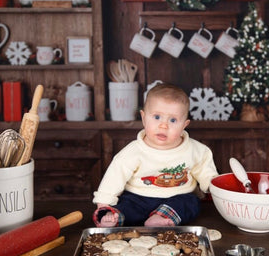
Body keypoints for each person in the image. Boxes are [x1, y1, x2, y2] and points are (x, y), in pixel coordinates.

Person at [92, 83, 218, 227]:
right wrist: (103, 204)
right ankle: (113, 217)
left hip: (177, 197)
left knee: (191, 202)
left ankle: (160, 217)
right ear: (144, 118)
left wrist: (214, 186)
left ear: (184, 125)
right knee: (127, 205)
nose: (163, 125)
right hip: (138, 198)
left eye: (173, 120)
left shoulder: (195, 150)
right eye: (157, 117)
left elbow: (206, 172)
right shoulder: (134, 151)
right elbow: (114, 177)